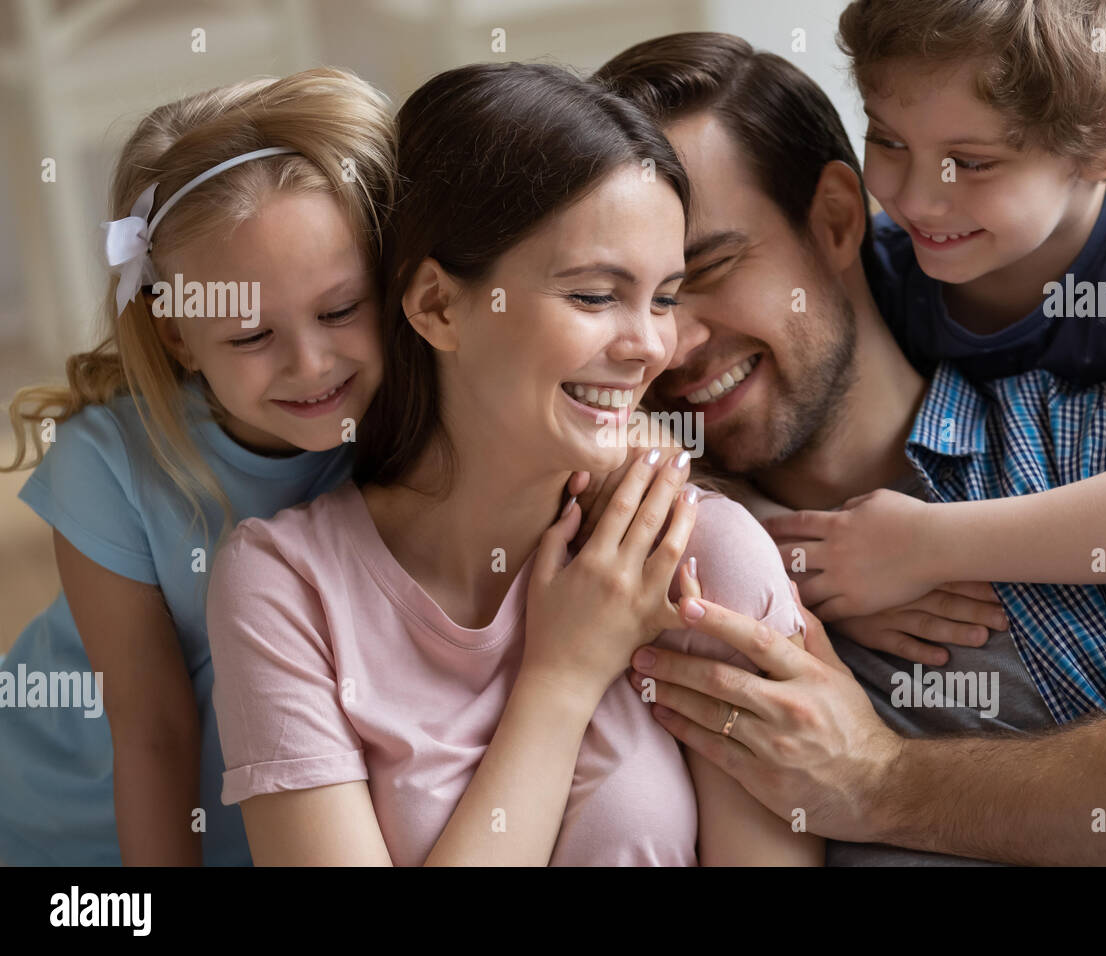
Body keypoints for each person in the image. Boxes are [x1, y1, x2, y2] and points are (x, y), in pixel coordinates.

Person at [593, 31, 1106, 864]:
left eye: (704, 272)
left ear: (835, 220)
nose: (664, 345)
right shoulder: (632, 572)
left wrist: (881, 782)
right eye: (613, 296)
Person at [204, 62, 820, 866]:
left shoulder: (702, 556)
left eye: (663, 298)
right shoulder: (283, 586)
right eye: (596, 296)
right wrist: (559, 683)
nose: (649, 349)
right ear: (435, 305)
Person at [776, 0, 1106, 621]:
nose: (914, 198)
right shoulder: (884, 270)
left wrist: (923, 546)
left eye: (971, 163)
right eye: (887, 140)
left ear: (1104, 144)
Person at [0, 68, 397, 865]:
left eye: (341, 309)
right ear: (180, 334)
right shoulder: (106, 467)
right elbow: (153, 732)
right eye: (251, 337)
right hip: (59, 820)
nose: (311, 364)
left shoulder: (416, 422)